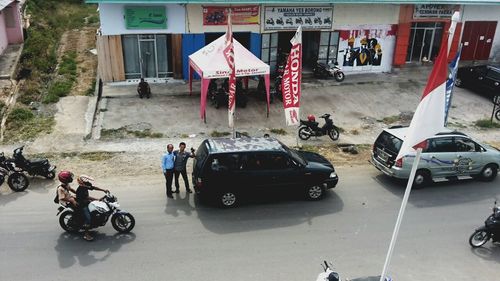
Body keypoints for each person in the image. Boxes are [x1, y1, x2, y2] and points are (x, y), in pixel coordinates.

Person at [75, 175, 109, 241]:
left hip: (86, 202)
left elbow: (93, 187)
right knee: (88, 219)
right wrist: (97, 199)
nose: (88, 183)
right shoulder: (80, 190)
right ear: (82, 183)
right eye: (86, 182)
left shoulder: (85, 186)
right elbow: (87, 198)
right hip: (82, 205)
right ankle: (86, 234)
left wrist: (103, 190)